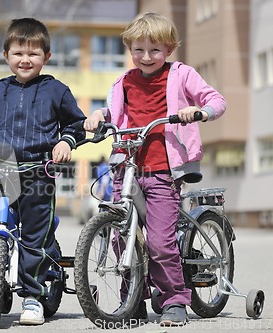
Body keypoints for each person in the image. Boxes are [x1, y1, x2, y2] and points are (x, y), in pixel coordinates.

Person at [84, 12, 226, 327]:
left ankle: (173, 300)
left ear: (170, 49)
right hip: (127, 166)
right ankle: (131, 297)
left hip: (163, 169)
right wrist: (97, 114)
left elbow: (216, 100)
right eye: (139, 50)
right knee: (123, 237)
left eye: (155, 50)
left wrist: (198, 111)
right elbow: (113, 110)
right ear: (129, 49)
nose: (146, 57)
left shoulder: (181, 74)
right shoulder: (123, 81)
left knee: (161, 243)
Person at [0, 17, 86, 326]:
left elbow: (76, 124)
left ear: (47, 57)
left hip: (38, 174)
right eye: (18, 53)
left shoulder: (57, 90)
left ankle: (33, 297)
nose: (25, 60)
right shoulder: (0, 90)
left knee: (34, 240)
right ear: (6, 56)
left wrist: (66, 141)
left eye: (34, 53)